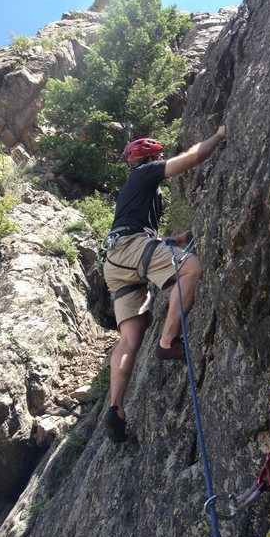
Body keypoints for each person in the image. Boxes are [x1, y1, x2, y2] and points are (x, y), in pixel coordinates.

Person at [102, 126, 226, 442]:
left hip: (117, 261)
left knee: (130, 338)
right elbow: (192, 157)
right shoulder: (146, 174)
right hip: (130, 248)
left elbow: (138, 230)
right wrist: (219, 135)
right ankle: (168, 342)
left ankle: (115, 407)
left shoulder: (136, 188)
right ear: (153, 158)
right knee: (191, 269)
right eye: (159, 157)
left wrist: (174, 239)